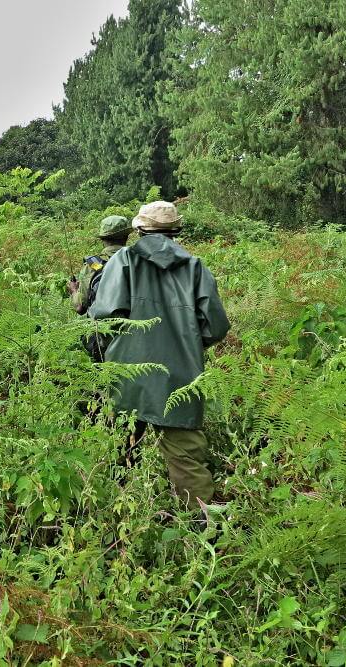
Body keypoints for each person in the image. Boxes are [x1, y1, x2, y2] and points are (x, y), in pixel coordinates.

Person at [87, 200, 230, 509]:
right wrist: (186, 344)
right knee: (187, 455)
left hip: (127, 373)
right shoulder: (195, 267)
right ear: (176, 230)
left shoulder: (123, 260)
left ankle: (122, 515)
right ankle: (201, 525)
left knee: (121, 447)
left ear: (139, 229)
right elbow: (215, 326)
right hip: (181, 376)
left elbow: (105, 317)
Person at [68, 215, 132, 361]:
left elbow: (80, 307)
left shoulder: (93, 265)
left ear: (103, 239)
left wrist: (73, 291)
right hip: (140, 330)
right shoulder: (138, 259)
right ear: (127, 236)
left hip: (105, 336)